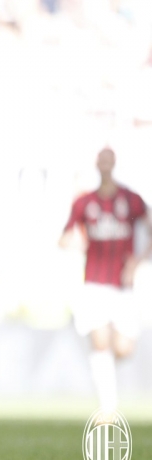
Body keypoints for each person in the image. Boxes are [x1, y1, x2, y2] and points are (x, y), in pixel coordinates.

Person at [59, 146, 152, 418]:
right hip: (95, 284)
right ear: (97, 164)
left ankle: (105, 375)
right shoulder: (84, 202)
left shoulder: (131, 199)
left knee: (122, 349)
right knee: (100, 343)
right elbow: (64, 238)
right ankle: (107, 409)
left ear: (115, 163)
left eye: (110, 160)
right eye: (102, 160)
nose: (106, 164)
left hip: (123, 286)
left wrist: (137, 261)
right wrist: (74, 243)